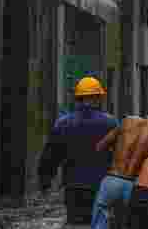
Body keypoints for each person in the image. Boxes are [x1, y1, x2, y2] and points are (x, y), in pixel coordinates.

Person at [38, 77, 119, 221]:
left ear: (77, 98)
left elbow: (50, 157)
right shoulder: (111, 123)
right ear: (99, 98)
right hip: (100, 187)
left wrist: (45, 182)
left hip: (73, 187)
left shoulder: (63, 123)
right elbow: (119, 157)